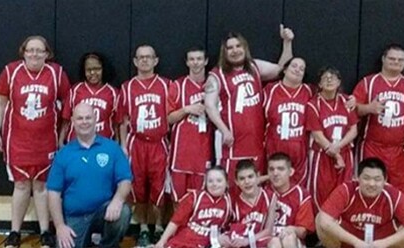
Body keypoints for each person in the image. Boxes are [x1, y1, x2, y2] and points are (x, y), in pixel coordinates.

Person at [0, 35, 70, 247]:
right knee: (21, 185)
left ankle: (45, 231)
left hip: (46, 142)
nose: (34, 54)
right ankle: (15, 232)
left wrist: (62, 137)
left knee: (43, 186)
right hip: (17, 140)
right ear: (23, 52)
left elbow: (67, 107)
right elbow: (0, 103)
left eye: (39, 50)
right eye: (30, 50)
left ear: (47, 54)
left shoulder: (56, 73)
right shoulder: (11, 71)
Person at [204, 25, 294, 188]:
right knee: (232, 188)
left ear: (245, 47)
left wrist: (287, 43)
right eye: (230, 48)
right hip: (233, 144)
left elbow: (282, 69)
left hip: (257, 142)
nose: (235, 50)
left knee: (256, 189)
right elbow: (209, 106)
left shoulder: (254, 66)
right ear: (224, 52)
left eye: (238, 46)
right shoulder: (217, 74)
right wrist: (224, 130)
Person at [353, 44, 404, 205]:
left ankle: (399, 228)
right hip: (373, 146)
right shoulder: (369, 82)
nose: (396, 62)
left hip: (402, 149)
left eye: (400, 60)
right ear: (383, 59)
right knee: (368, 187)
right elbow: (353, 109)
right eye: (392, 59)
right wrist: (369, 108)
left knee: (401, 193)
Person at [48, 103, 133, 248]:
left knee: (123, 212)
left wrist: (117, 200)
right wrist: (60, 226)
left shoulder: (111, 148)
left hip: (103, 213)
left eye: (88, 117)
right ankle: (89, 240)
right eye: (80, 118)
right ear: (73, 122)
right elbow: (53, 193)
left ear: (95, 120)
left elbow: (125, 180)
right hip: (75, 217)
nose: (84, 122)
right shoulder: (63, 154)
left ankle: (106, 245)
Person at [118, 44, 171, 245]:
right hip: (136, 143)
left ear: (156, 60)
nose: (145, 60)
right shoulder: (127, 87)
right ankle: (142, 228)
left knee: (159, 187)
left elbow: (173, 115)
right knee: (137, 188)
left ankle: (158, 227)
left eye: (149, 57)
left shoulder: (167, 84)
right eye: (141, 57)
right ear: (135, 61)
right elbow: (122, 119)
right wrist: (123, 144)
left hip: (158, 143)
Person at [316, 157, 404, 248]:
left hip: (381, 238)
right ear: (357, 178)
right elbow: (325, 220)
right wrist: (356, 242)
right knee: (320, 219)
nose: (371, 184)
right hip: (350, 236)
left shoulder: (393, 195)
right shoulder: (346, 190)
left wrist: (384, 243)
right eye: (366, 178)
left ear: (385, 180)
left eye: (377, 179)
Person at [305, 67, 358, 208]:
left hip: (345, 153)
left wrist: (339, 148)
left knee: (345, 192)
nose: (329, 80)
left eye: (333, 77)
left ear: (339, 82)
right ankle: (319, 228)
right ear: (319, 84)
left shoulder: (347, 101)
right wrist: (336, 155)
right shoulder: (313, 105)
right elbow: (317, 136)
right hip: (322, 155)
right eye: (325, 78)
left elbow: (353, 130)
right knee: (321, 194)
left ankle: (338, 227)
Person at [168, 46, 212, 204]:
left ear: (206, 61)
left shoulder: (213, 85)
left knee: (200, 196)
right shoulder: (177, 85)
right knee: (178, 197)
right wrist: (187, 109)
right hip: (182, 152)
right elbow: (169, 119)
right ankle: (177, 228)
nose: (196, 63)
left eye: (199, 59)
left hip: (205, 150)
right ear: (187, 62)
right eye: (192, 59)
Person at [262, 57, 313, 187]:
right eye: (294, 66)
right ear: (284, 69)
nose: (297, 70)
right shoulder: (270, 90)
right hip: (275, 145)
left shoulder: (310, 91)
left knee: (297, 189)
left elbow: (331, 97)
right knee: (273, 185)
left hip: (299, 149)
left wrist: (350, 100)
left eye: (302, 69)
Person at [154, 166, 232, 248]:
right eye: (210, 181)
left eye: (219, 181)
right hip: (187, 240)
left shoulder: (229, 201)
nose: (214, 184)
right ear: (205, 183)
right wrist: (162, 241)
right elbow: (176, 221)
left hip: (211, 241)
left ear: (227, 183)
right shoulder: (195, 197)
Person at [60, 52, 119, 142]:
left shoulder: (113, 92)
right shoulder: (75, 90)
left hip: (103, 142)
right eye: (88, 70)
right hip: (77, 142)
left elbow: (116, 123)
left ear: (104, 69)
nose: (92, 73)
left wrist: (117, 142)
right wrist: (61, 142)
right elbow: (66, 120)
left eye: (97, 69)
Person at [220, 160, 275, 248]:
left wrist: (248, 240)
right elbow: (223, 227)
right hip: (238, 241)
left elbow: (268, 230)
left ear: (257, 176)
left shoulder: (270, 196)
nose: (247, 182)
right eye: (242, 178)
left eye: (250, 177)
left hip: (258, 240)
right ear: (236, 181)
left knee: (274, 242)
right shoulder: (232, 200)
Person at [266, 153, 314, 248]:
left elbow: (303, 231)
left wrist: (292, 229)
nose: (275, 173)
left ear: (291, 171)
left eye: (281, 169)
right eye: (271, 169)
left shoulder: (301, 194)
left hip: (292, 241)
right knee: (274, 243)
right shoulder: (263, 193)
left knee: (289, 238)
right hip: (268, 241)